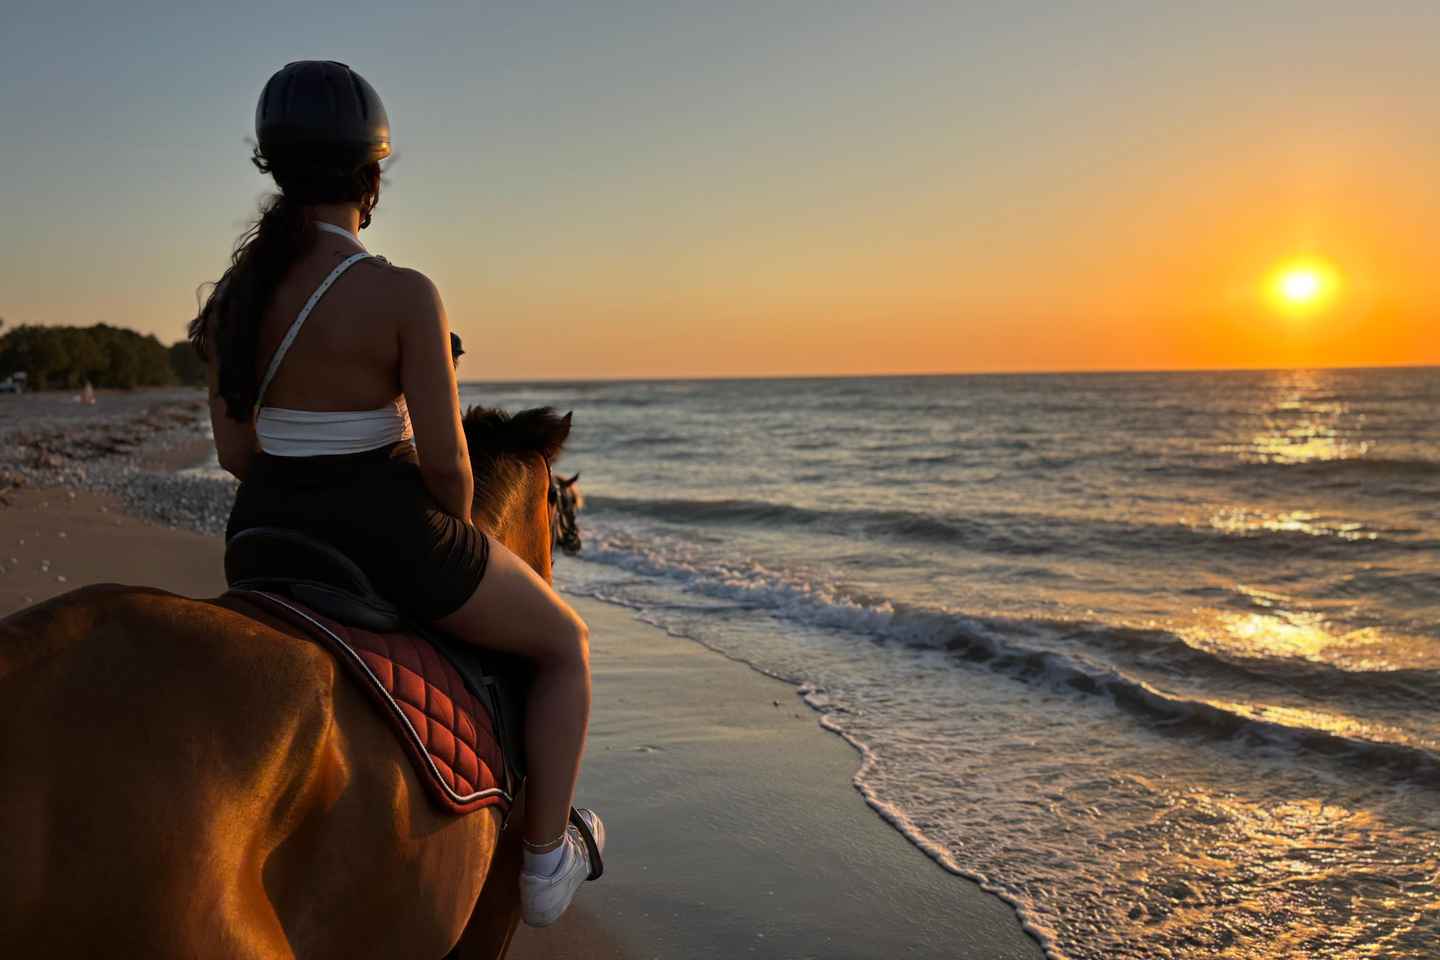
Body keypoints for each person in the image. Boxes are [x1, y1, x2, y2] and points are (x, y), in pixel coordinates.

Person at [188, 61, 602, 927]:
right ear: (371, 178)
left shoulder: (236, 297)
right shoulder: (404, 292)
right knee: (565, 645)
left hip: (261, 531)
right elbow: (452, 472)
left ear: (275, 170)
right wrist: (445, 525)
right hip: (381, 526)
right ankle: (544, 863)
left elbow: (236, 452)